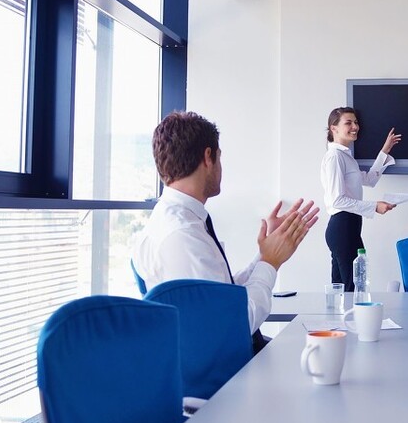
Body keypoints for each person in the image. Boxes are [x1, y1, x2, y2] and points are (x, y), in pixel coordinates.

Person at [132, 111, 319, 350]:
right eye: (220, 158)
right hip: (227, 371)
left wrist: (266, 253)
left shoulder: (178, 219)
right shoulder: (182, 235)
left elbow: (222, 295)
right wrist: (270, 263)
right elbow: (235, 324)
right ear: (208, 157)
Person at [320, 107, 401, 290]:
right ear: (334, 128)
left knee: (344, 288)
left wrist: (385, 151)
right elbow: (337, 200)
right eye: (348, 123)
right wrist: (374, 206)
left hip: (350, 226)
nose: (355, 126)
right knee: (351, 287)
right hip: (342, 226)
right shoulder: (334, 157)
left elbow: (370, 180)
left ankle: (341, 319)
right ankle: (349, 319)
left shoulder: (346, 157)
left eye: (356, 122)